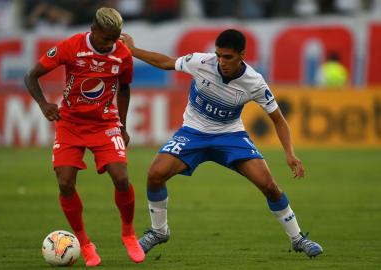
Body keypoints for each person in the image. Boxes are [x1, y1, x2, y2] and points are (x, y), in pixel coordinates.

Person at [121, 29, 323, 258]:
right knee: (155, 174)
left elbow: (278, 120)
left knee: (269, 185)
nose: (222, 62)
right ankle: (159, 231)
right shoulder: (200, 61)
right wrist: (133, 50)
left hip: (230, 136)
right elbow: (166, 62)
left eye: (228, 57)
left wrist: (290, 153)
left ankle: (297, 239)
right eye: (219, 55)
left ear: (242, 55)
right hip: (193, 132)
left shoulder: (254, 82)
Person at [24, 7, 145, 266]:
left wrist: (122, 126)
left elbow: (124, 90)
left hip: (105, 123)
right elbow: (31, 76)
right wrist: (44, 105)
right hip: (71, 123)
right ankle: (85, 243)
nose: (110, 44)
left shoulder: (123, 54)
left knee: (122, 178)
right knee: (65, 182)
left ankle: (129, 234)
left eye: (115, 38)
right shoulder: (71, 46)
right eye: (105, 38)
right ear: (93, 30)